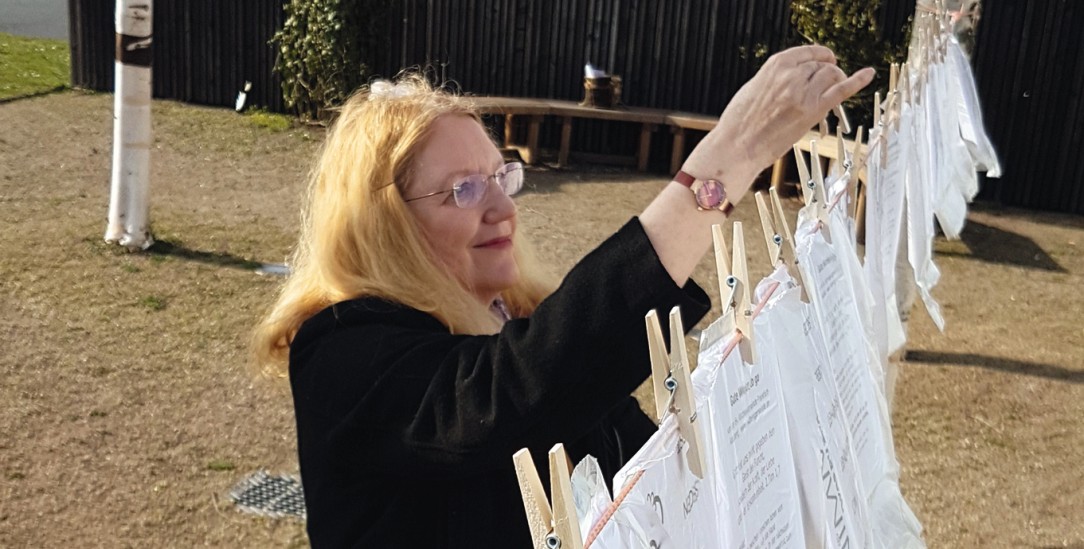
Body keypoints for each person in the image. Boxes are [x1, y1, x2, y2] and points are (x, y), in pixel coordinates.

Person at [253, 45, 873, 547]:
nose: (502, 208)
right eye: (463, 191)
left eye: (501, 176)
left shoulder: (510, 314)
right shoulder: (341, 352)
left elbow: (635, 458)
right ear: (381, 224)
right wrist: (726, 161)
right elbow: (512, 394)